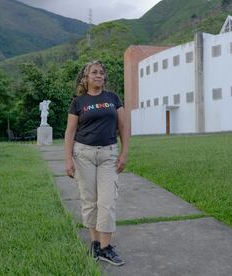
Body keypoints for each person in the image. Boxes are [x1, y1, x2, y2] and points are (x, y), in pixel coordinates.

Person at [64, 60, 129, 266]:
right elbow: (70, 132)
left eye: (101, 72)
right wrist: (68, 159)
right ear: (86, 77)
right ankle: (95, 242)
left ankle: (106, 247)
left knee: (107, 201)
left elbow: (123, 127)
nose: (98, 75)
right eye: (94, 72)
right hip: (83, 154)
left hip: (108, 155)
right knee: (90, 200)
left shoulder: (113, 98)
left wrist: (124, 153)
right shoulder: (78, 102)